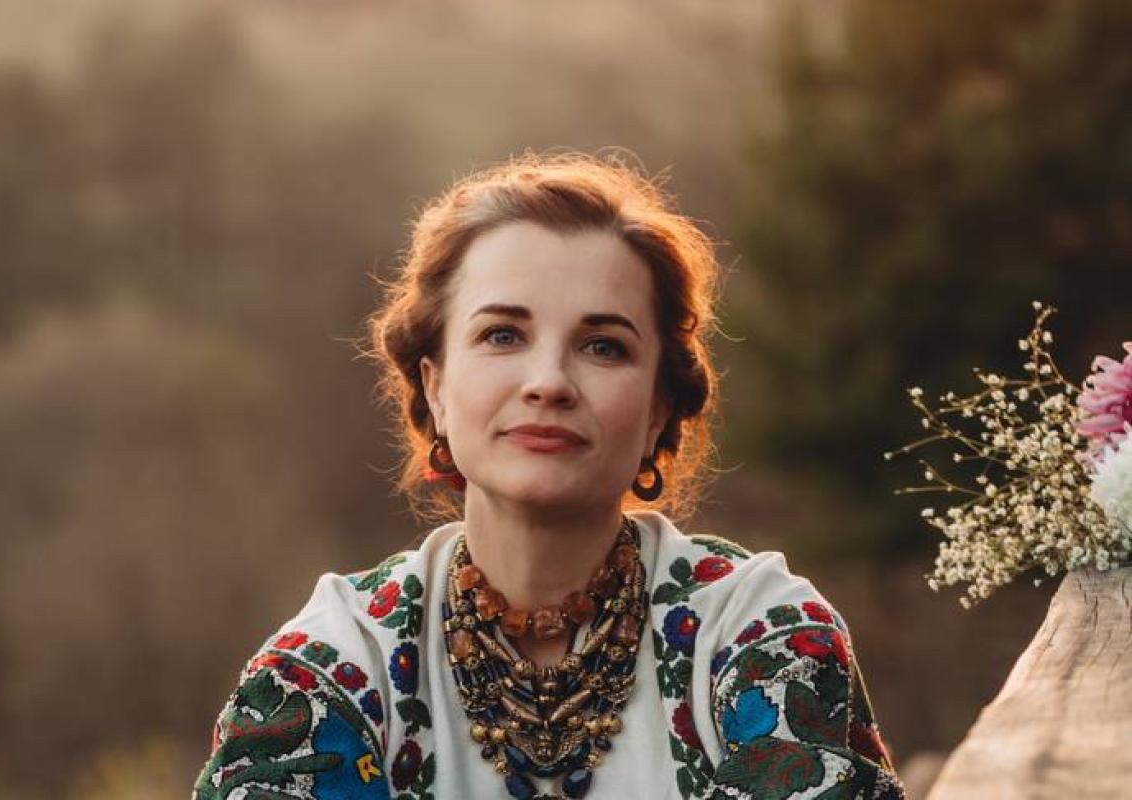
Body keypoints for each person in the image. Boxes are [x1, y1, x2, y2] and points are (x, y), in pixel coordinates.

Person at [192, 151, 906, 799]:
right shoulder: (329, 669)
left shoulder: (763, 636)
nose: (548, 381)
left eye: (603, 346)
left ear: (660, 407)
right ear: (434, 387)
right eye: (503, 335)